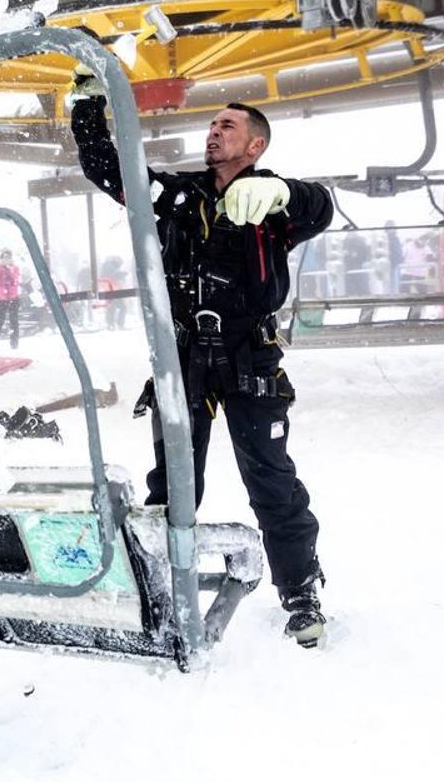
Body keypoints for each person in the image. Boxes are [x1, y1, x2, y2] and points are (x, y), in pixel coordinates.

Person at [70, 78, 334, 648]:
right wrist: (87, 104)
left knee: (271, 481)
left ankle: (301, 594)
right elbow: (107, 168)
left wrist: (283, 193)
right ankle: (160, 589)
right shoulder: (177, 196)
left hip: (249, 359)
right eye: (212, 125)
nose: (214, 132)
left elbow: (322, 206)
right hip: (183, 358)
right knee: (172, 486)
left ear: (255, 145)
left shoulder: (272, 203)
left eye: (227, 126)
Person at [0, 248, 23, 348]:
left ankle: (14, 344)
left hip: (13, 297)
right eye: (5, 257)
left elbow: (16, 278)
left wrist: (10, 268)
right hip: (2, 298)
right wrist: (0, 265)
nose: (7, 259)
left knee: (14, 321)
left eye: (8, 257)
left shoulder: (15, 267)